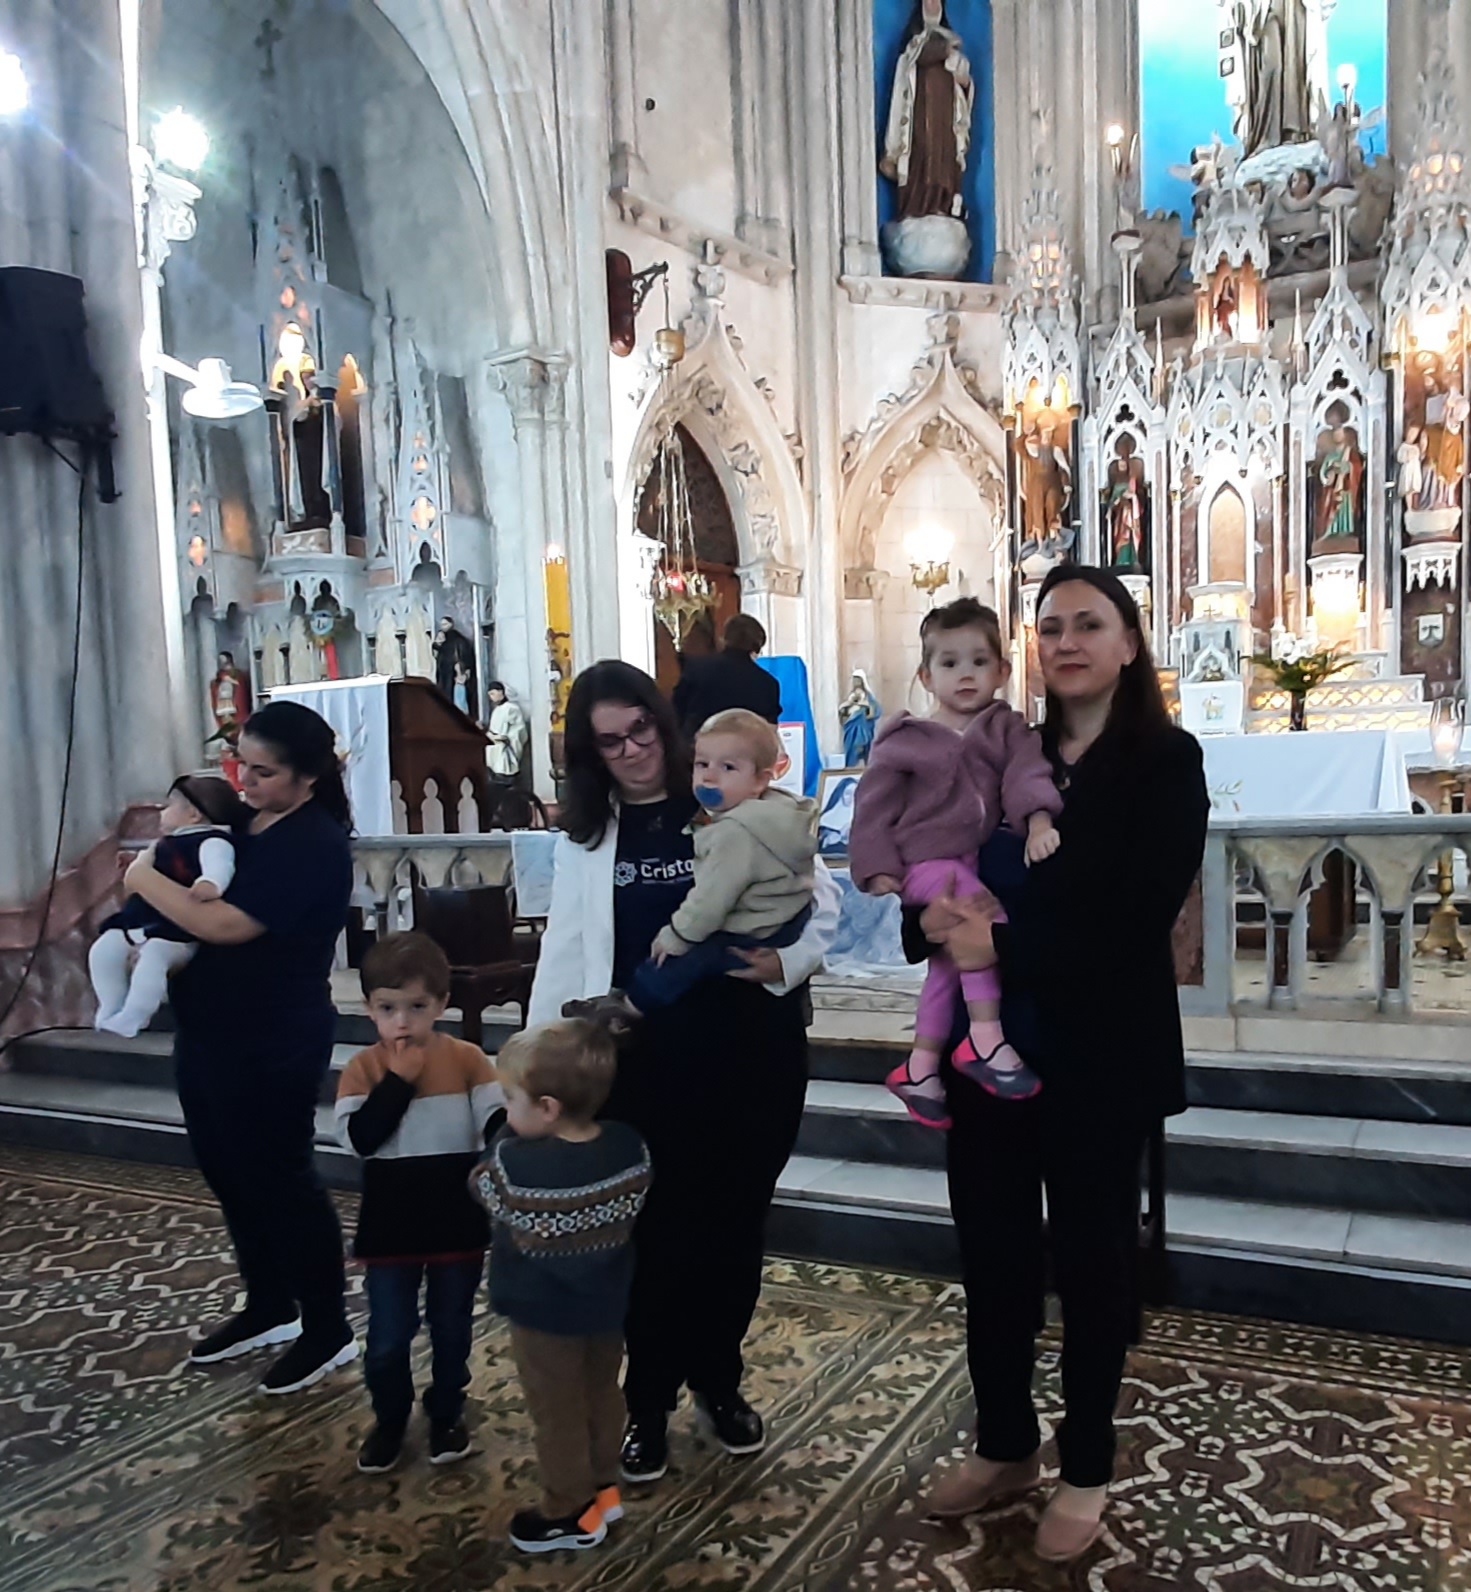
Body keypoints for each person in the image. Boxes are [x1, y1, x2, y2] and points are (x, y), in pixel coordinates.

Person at [912, 565, 1207, 1563]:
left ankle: (1084, 1466)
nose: (1067, 641)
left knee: (1090, 1263)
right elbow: (939, 847)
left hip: (1097, 1055)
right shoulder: (1004, 746)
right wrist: (927, 915)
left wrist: (998, 944)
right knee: (992, 1256)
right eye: (1049, 627)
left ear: (1128, 641)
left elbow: (1135, 917)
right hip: (988, 1051)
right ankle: (1004, 1443)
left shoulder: (1163, 760)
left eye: (1088, 624)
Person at [527, 660, 840, 1483]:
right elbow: (566, 949)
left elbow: (821, 897)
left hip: (751, 1049)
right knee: (656, 1238)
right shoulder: (587, 836)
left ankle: (719, 1381)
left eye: (640, 729)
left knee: (734, 1228)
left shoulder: (724, 787)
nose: (632, 750)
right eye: (610, 741)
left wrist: (786, 963)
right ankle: (648, 1403)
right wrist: (535, 1068)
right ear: (588, 752)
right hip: (641, 1064)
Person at [123, 701, 357, 1395]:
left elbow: (227, 923)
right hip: (211, 1028)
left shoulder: (313, 842)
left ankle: (326, 1327)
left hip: (274, 1035)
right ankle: (270, 1303)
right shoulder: (246, 824)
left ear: (307, 777)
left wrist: (141, 879)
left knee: (281, 1177)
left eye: (262, 772)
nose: (244, 782)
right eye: (240, 765)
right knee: (228, 1170)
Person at [849, 599, 1062, 1126]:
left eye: (979, 662)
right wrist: (877, 866)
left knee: (947, 967)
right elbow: (873, 805)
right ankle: (985, 1041)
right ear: (926, 676)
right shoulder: (907, 740)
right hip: (926, 860)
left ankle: (920, 1067)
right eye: (949, 663)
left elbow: (1027, 775)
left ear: (1002, 671)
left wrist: (1038, 821)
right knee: (984, 921)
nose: (965, 674)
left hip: (968, 857)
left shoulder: (1006, 729)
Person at [470, 1018, 652, 1554]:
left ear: (548, 1108)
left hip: (541, 1313)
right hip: (606, 1307)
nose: (506, 1110)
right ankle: (603, 1488)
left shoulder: (516, 1164)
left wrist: (505, 1136)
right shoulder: (628, 1146)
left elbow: (480, 1184)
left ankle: (567, 1511)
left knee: (557, 1413)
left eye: (511, 1099)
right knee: (602, 1395)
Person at [335, 933, 504, 1475]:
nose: (402, 1022)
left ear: (441, 1004)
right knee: (388, 1336)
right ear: (369, 1008)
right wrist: (398, 1083)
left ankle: (447, 1410)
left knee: (452, 1328)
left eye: (417, 1007)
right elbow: (361, 1139)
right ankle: (389, 1417)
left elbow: (498, 1124)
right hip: (392, 1229)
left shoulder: (469, 1060)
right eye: (388, 1009)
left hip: (457, 1222)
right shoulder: (362, 1069)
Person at [573, 709, 816, 1020]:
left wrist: (676, 935)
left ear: (761, 779)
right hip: (783, 921)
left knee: (683, 959)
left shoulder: (734, 832)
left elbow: (711, 900)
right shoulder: (777, 814)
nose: (710, 776)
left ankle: (630, 1006)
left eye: (728, 767)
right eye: (702, 764)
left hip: (754, 933)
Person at [90, 775, 246, 1039]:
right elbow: (158, 866)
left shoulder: (213, 840)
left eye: (169, 805)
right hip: (143, 918)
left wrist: (210, 883)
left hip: (176, 928)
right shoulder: (169, 843)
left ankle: (135, 1015)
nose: (162, 812)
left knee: (154, 958)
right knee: (104, 950)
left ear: (194, 814)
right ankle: (110, 1007)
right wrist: (134, 861)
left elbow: (220, 865)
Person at [672, 612, 782, 738]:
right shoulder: (768, 684)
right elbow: (769, 731)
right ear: (757, 646)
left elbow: (676, 713)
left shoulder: (697, 669)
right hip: (746, 748)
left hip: (700, 745)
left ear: (724, 638)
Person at [485, 680, 530, 787]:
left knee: (506, 776)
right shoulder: (496, 710)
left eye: (493, 693)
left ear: (501, 692)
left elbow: (520, 731)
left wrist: (506, 739)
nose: (491, 697)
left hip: (506, 749)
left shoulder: (512, 709)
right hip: (495, 749)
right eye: (490, 695)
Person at [839, 669, 880, 766]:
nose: (855, 682)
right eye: (854, 680)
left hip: (862, 727)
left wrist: (864, 706)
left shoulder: (868, 697)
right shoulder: (851, 696)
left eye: (857, 680)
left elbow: (875, 711)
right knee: (851, 750)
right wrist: (844, 709)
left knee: (862, 746)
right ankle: (850, 767)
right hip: (851, 727)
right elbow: (844, 712)